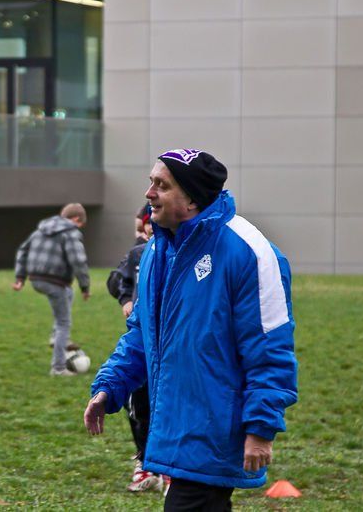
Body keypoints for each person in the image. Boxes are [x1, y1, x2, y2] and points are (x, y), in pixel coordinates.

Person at [84, 149, 298, 511]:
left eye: (162, 185)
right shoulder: (157, 250)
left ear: (192, 199)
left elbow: (269, 348)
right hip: (175, 424)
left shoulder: (250, 251)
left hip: (216, 427)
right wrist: (110, 385)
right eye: (151, 182)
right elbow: (141, 335)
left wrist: (261, 428)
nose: (149, 193)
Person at [115, 212, 166, 493]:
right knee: (138, 404)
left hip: (174, 345)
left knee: (170, 404)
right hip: (142, 340)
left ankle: (171, 470)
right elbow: (117, 281)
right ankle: (145, 463)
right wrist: (125, 299)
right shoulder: (138, 254)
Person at [13, 203, 91, 376]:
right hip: (55, 281)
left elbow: (22, 251)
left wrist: (20, 278)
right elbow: (78, 261)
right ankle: (58, 368)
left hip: (36, 279)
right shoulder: (71, 232)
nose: (80, 228)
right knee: (64, 323)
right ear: (76, 219)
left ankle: (56, 337)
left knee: (68, 293)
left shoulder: (40, 230)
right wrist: (85, 286)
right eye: (81, 225)